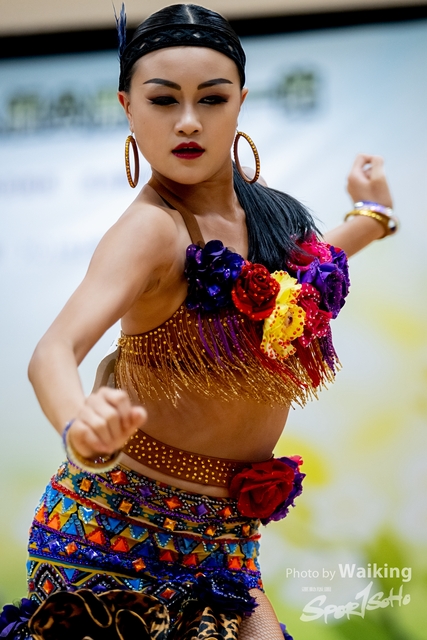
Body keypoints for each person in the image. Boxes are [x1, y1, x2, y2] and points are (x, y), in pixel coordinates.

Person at [0, 4, 397, 639]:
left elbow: (300, 282)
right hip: (114, 542)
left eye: (211, 99)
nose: (188, 121)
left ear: (240, 103)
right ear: (129, 108)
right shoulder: (151, 231)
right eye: (163, 101)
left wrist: (370, 217)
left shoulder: (270, 217)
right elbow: (52, 350)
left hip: (225, 543)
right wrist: (79, 423)